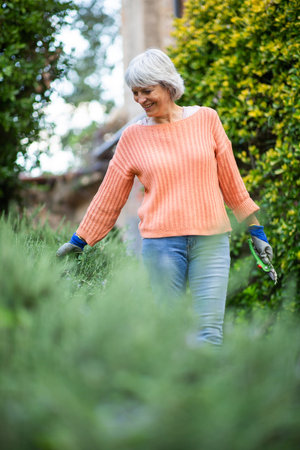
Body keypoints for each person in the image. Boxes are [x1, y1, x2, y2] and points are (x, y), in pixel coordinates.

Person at [57, 49, 274, 346]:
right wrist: (79, 240)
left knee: (209, 333)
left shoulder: (207, 120)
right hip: (161, 245)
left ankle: (205, 393)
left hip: (211, 241)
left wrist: (256, 230)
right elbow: (109, 196)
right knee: (170, 335)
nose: (140, 99)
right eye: (135, 93)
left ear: (168, 85)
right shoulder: (133, 137)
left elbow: (232, 184)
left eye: (146, 90)